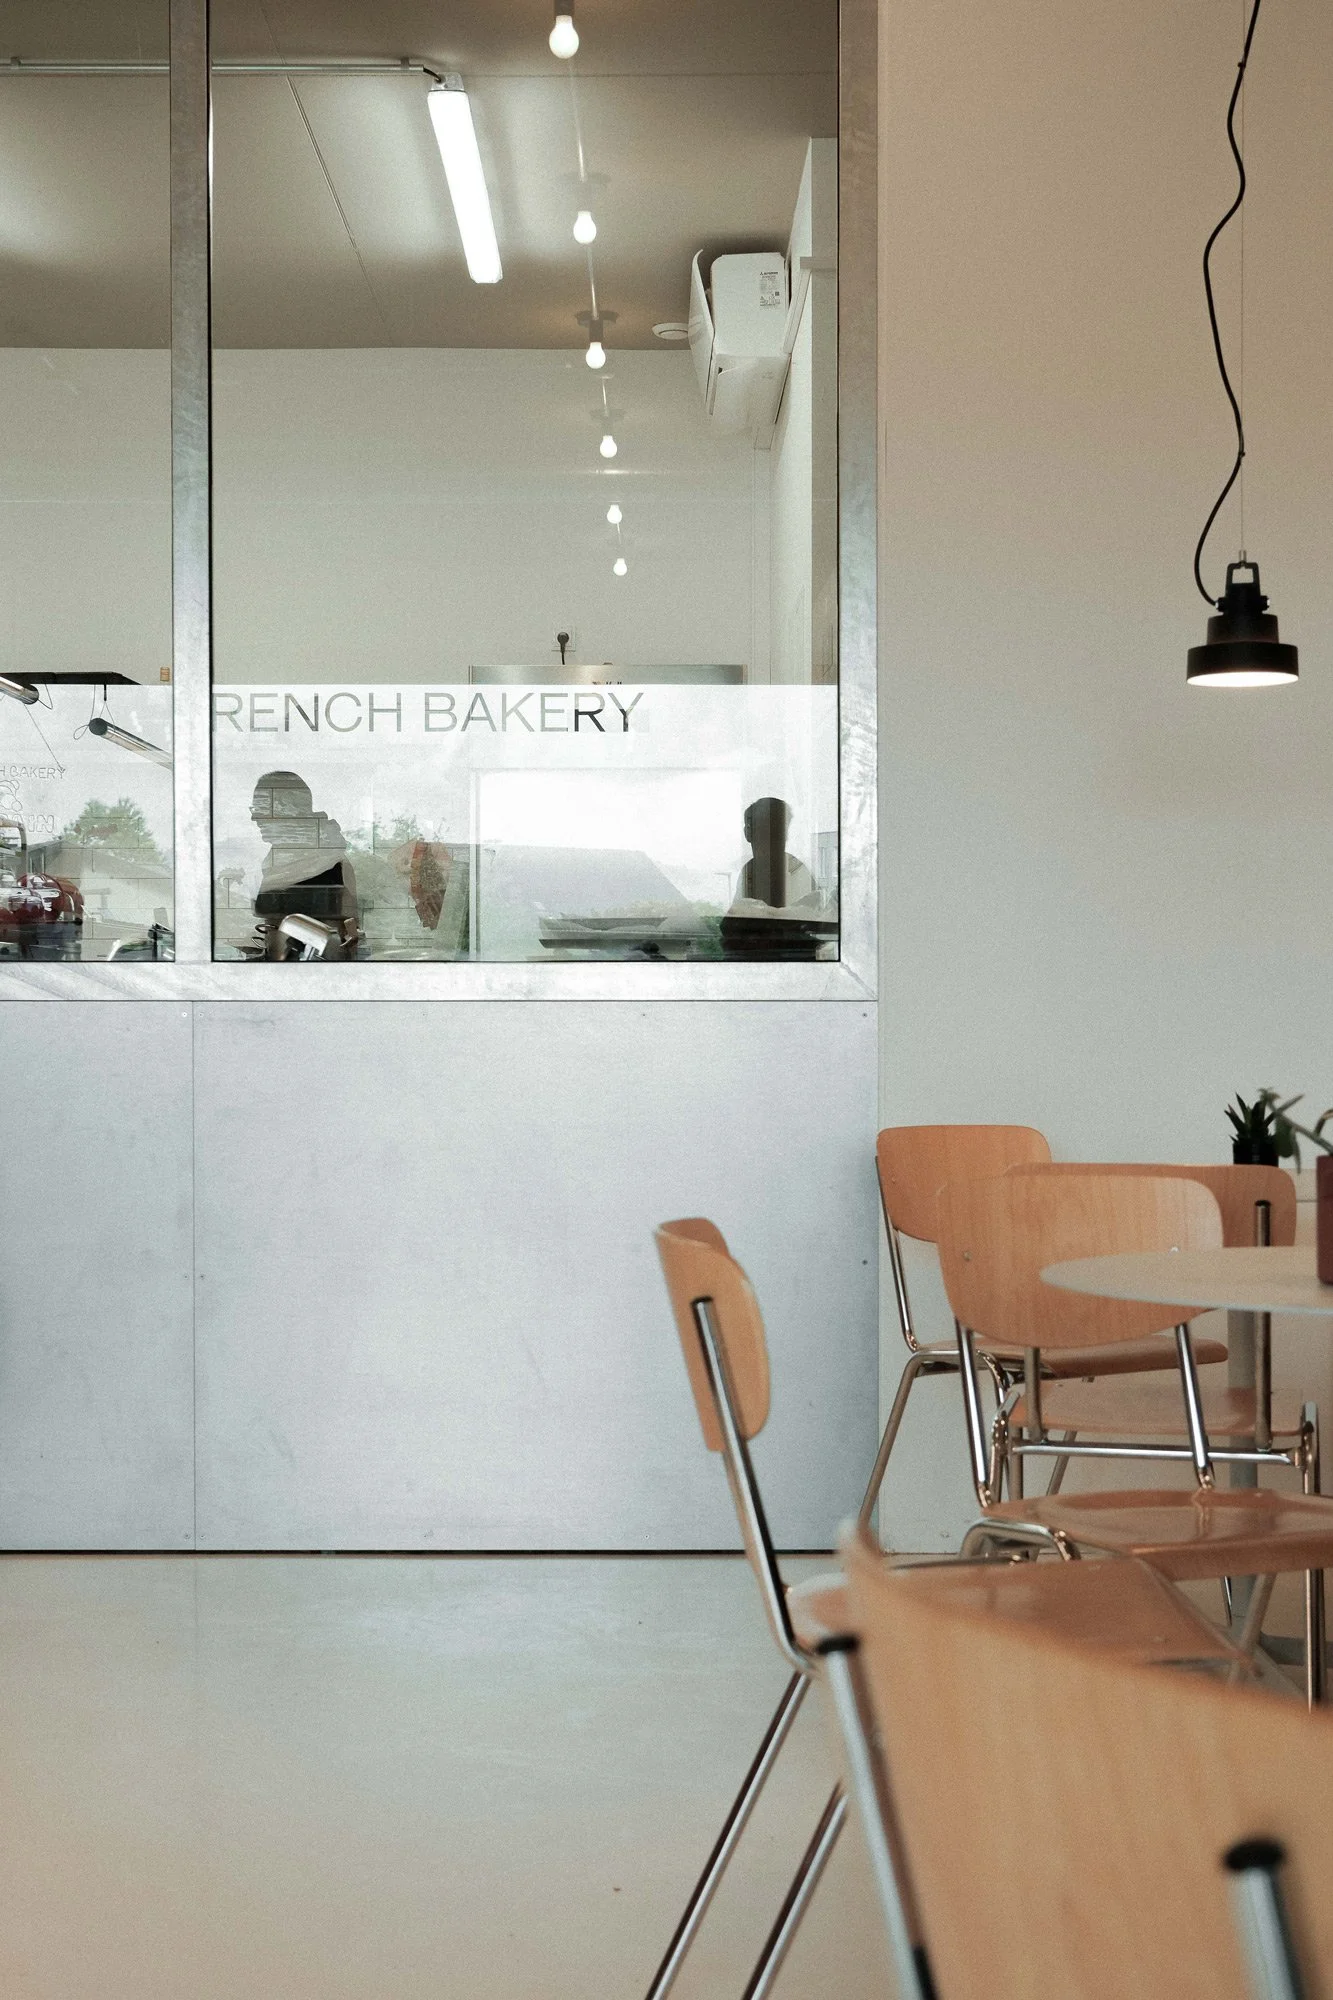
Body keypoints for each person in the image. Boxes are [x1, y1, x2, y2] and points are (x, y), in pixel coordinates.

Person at [249, 771, 358, 960]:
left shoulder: (330, 864)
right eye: (255, 809)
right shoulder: (276, 862)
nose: (255, 818)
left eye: (263, 809)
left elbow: (343, 941)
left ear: (290, 810)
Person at [737, 796, 819, 910]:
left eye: (777, 832)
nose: (771, 840)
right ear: (748, 833)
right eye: (764, 831)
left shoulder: (797, 871)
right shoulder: (748, 871)